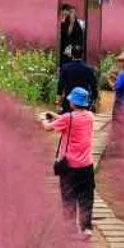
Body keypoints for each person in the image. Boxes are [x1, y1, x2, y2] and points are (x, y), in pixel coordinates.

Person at [40, 87, 96, 237]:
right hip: (87, 166)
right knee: (86, 197)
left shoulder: (68, 118)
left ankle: (70, 230)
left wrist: (44, 119)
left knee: (68, 197)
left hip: (69, 166)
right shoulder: (90, 116)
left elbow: (47, 128)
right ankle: (86, 228)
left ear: (73, 102)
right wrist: (57, 116)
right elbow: (71, 120)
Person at [57, 45, 98, 113]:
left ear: (71, 54)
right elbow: (93, 86)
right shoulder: (89, 69)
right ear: (82, 55)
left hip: (69, 100)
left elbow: (60, 85)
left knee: (68, 120)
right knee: (82, 120)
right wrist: (94, 101)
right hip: (83, 100)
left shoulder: (65, 68)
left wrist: (58, 101)